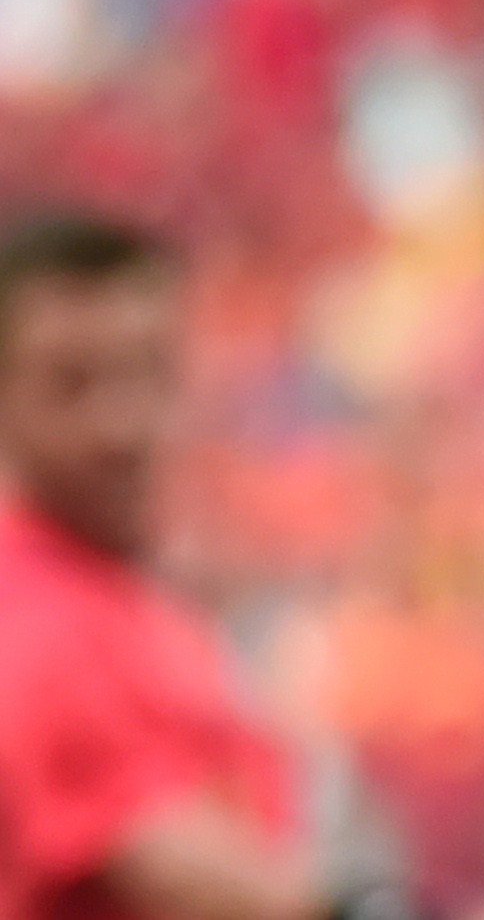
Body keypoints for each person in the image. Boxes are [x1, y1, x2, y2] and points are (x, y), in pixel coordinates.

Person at [0, 211, 395, 920]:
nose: (120, 422)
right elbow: (226, 893)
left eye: (147, 372)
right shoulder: (32, 624)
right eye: (71, 382)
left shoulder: (129, 604)